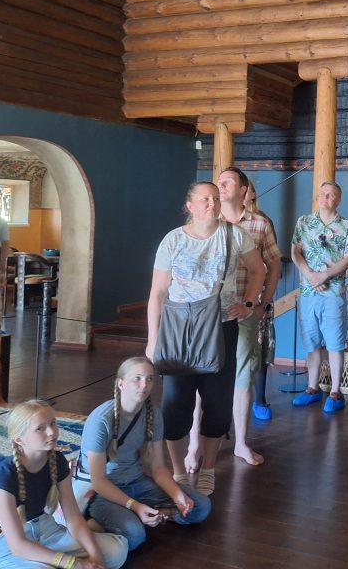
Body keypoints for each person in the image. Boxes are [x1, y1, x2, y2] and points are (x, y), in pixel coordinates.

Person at [145, 182, 264, 496]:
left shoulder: (234, 235)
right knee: (175, 403)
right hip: (178, 330)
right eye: (205, 199)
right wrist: (152, 339)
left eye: (215, 198)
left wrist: (248, 303)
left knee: (217, 401)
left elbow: (259, 270)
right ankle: (179, 472)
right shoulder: (173, 240)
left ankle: (209, 468)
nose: (212, 203)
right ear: (190, 205)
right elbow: (157, 293)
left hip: (221, 327)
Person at [74, 357, 211, 552]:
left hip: (137, 482)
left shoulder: (153, 414)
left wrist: (177, 494)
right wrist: (135, 506)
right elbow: (98, 481)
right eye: (137, 378)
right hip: (103, 492)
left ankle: (151, 515)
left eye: (149, 379)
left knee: (201, 506)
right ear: (121, 384)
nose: (144, 385)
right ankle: (102, 522)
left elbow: (158, 467)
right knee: (135, 535)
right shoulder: (100, 420)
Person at [0, 399, 127, 569]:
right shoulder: (4, 475)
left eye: (53, 423)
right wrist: (75, 563)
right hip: (3, 541)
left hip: (44, 528)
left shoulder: (57, 460)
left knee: (116, 551)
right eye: (40, 428)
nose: (51, 432)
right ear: (19, 439)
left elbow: (73, 518)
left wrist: (96, 558)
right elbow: (18, 545)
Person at [218, 167, 280, 461]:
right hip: (210, 314)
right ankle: (197, 444)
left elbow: (273, 265)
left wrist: (261, 303)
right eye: (219, 181)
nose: (221, 185)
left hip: (245, 313)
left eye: (228, 182)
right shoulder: (209, 221)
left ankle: (241, 443)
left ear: (244, 190)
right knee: (205, 379)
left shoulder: (259, 224)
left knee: (243, 379)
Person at [291, 181, 348, 412]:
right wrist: (311, 276)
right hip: (308, 291)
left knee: (335, 343)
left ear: (338, 200)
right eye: (323, 194)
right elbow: (295, 251)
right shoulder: (304, 222)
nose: (326, 198)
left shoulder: (346, 226)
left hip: (333, 293)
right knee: (311, 342)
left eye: (331, 195)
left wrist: (325, 275)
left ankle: (336, 393)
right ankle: (312, 388)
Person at [244, 186, 281, 421]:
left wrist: (265, 298)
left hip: (259, 298)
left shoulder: (263, 221)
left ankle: (259, 400)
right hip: (230, 299)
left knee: (259, 349)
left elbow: (273, 262)